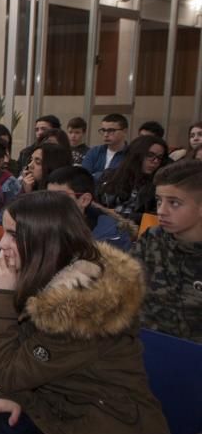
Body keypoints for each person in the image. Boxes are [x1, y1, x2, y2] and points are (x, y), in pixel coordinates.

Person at [0, 191, 169, 434]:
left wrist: (1, 297)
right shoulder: (45, 272)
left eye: (13, 235)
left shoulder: (80, 309)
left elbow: (9, 367)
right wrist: (4, 393)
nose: (2, 243)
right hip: (50, 411)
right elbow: (14, 363)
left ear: (45, 241)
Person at [132, 160, 202, 343]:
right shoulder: (152, 240)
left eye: (175, 203)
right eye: (159, 201)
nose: (161, 211)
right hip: (145, 347)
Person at [46, 165, 132, 248]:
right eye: (47, 196)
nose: (50, 202)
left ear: (84, 200)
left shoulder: (110, 236)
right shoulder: (42, 226)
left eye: (59, 196)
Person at [96, 134, 168, 227]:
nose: (155, 161)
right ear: (137, 155)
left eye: (159, 158)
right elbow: (96, 205)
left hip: (136, 233)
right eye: (150, 155)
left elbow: (155, 216)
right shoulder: (110, 176)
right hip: (104, 228)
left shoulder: (159, 185)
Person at [82, 113, 129, 180]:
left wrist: (96, 175)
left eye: (111, 130)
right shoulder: (94, 151)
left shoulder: (131, 155)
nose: (106, 134)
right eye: (103, 130)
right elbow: (83, 178)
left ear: (124, 131)